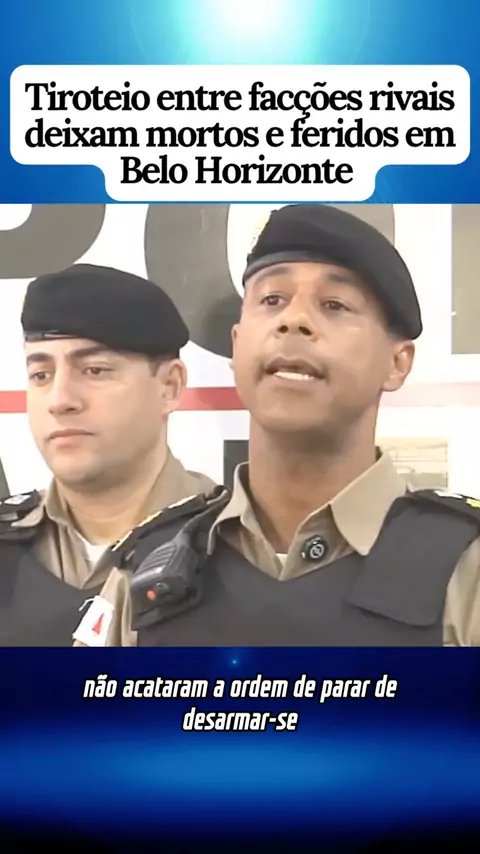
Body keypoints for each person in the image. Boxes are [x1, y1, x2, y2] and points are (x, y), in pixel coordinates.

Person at [121, 204, 480, 647]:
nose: (293, 320)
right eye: (272, 300)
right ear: (236, 344)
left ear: (397, 362)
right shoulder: (149, 567)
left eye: (334, 304)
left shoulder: (468, 572)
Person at [0, 263, 215, 646]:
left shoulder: (232, 546)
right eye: (41, 375)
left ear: (170, 386)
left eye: (95, 370)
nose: (60, 400)